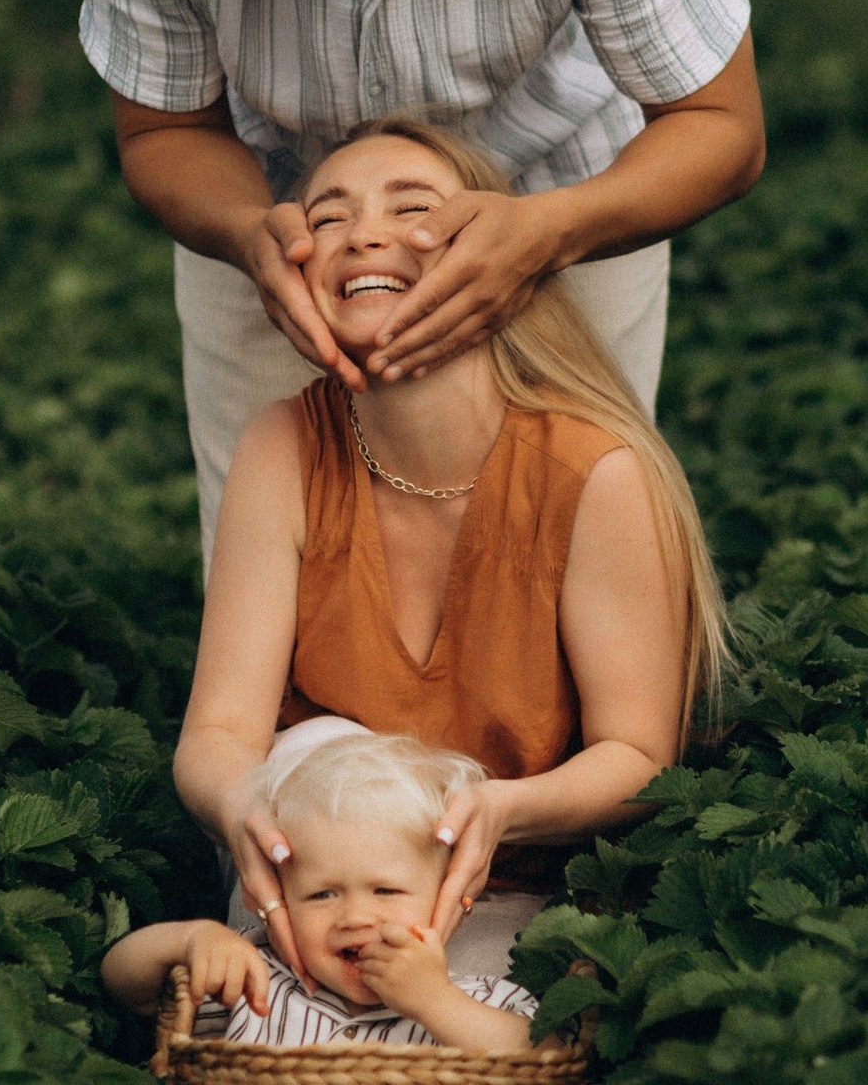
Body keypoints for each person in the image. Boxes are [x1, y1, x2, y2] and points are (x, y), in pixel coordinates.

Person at [66, 0, 766, 568]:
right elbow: (168, 131)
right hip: (276, 201)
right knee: (279, 555)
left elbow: (718, 123)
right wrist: (247, 233)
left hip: (564, 184)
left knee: (576, 539)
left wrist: (554, 231)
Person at [171, 117, 731, 977]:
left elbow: (639, 757)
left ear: (500, 258)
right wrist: (242, 804)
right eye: (326, 218)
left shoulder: (597, 470)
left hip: (519, 894)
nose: (363, 234)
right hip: (322, 893)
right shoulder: (282, 446)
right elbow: (218, 730)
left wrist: (500, 809)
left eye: (413, 210)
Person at [102, 727, 551, 1052]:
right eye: (322, 895)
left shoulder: (477, 1000)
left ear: (446, 891)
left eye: (386, 891)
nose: (355, 917)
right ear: (280, 896)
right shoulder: (259, 983)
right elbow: (123, 984)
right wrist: (194, 938)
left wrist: (435, 1000)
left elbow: (545, 1058)